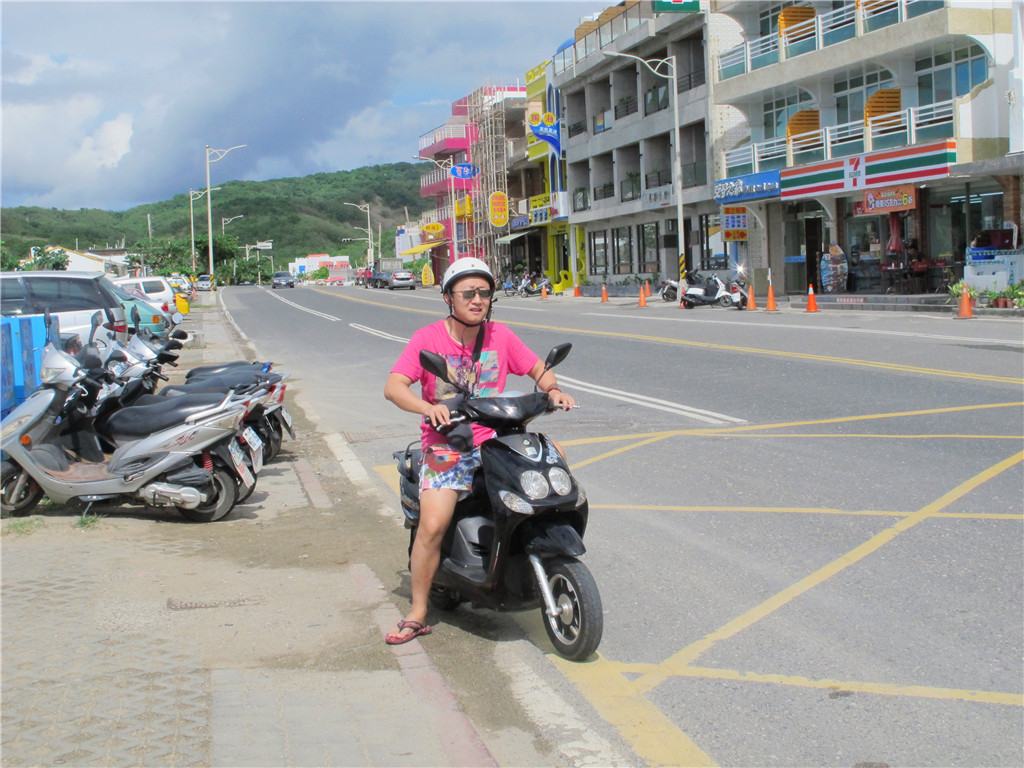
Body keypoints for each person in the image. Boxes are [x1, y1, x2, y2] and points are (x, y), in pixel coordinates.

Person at [383, 257, 575, 644]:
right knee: (434, 524)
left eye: (484, 292)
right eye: (467, 293)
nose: (477, 300)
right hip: (445, 445)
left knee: (557, 462)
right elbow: (395, 387)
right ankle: (418, 611)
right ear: (448, 298)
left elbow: (539, 369)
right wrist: (427, 408)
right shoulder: (428, 339)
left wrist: (553, 390)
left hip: (496, 440)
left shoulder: (500, 336)